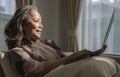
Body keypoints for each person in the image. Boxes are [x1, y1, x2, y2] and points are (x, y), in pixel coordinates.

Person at [4, 5, 107, 77]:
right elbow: (34, 69)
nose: (41, 26)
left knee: (100, 62)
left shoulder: (48, 43)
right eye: (36, 21)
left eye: (41, 22)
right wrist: (69, 58)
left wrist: (86, 55)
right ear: (23, 25)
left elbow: (63, 57)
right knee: (94, 67)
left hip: (65, 71)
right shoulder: (17, 50)